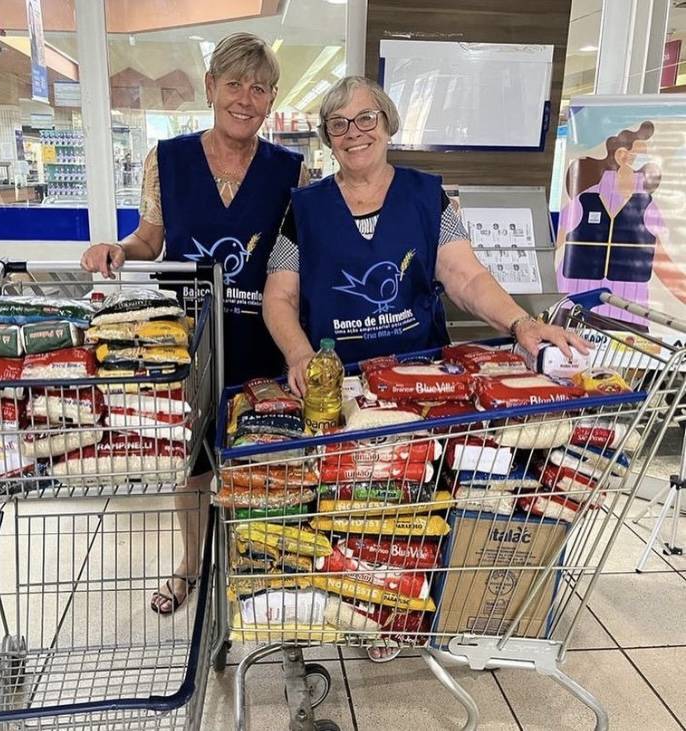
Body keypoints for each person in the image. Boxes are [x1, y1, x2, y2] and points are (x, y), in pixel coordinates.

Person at [263, 76, 588, 661]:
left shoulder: (429, 198)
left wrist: (521, 323)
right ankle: (362, 607)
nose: (354, 133)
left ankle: (404, 610)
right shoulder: (302, 209)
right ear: (328, 138)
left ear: (388, 124)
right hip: (344, 390)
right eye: (339, 124)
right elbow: (279, 297)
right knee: (355, 504)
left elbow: (465, 276)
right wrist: (298, 354)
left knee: (416, 503)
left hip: (424, 385)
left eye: (366, 118)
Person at [81, 33, 305, 614]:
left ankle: (256, 567)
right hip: (187, 341)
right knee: (192, 461)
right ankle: (190, 563)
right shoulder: (168, 160)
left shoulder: (292, 172)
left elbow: (300, 254)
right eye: (234, 84)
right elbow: (150, 237)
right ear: (210, 87)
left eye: (260, 88)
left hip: (263, 342)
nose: (245, 99)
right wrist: (120, 250)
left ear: (272, 99)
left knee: (259, 458)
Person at [556, 121, 670, 326]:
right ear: (621, 155)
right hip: (574, 306)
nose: (646, 161)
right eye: (640, 153)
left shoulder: (647, 206)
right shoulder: (584, 199)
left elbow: (663, 262)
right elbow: (554, 244)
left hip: (628, 311)